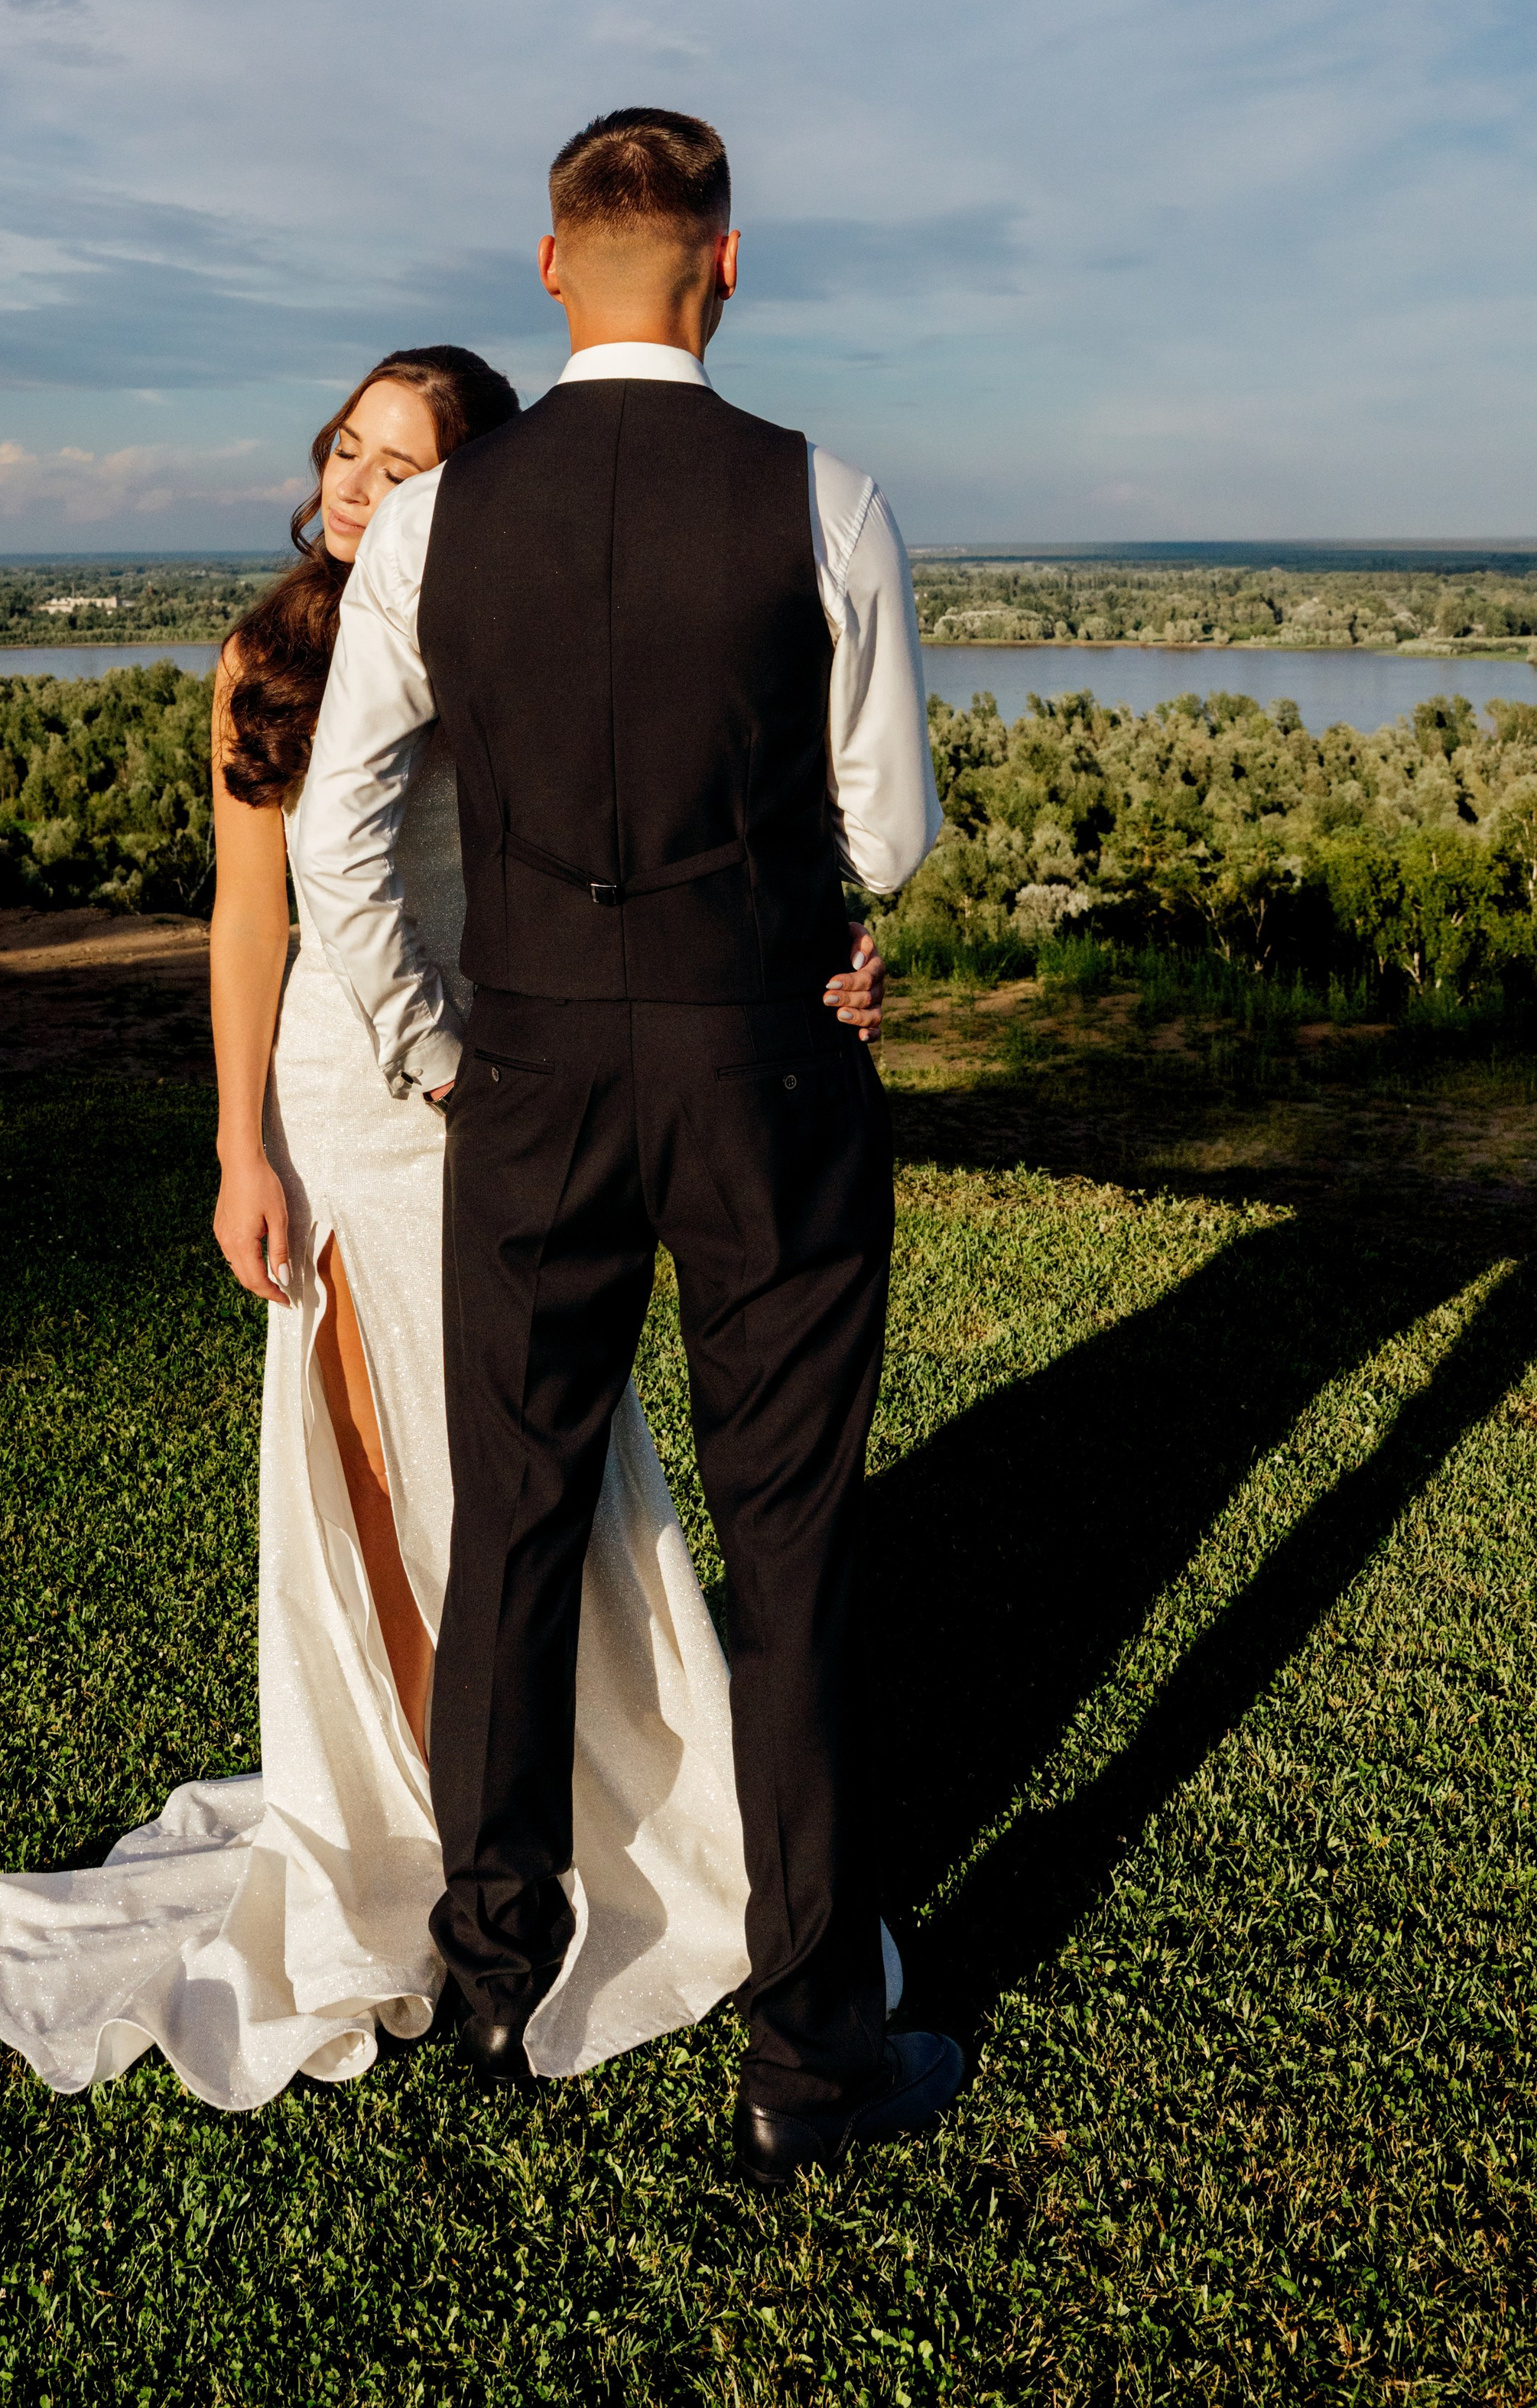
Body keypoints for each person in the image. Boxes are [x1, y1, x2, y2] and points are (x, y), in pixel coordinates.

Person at [0, 341, 892, 2110]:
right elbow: (252, 915)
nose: (355, 485)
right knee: (372, 1468)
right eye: (346, 449)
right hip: (340, 1093)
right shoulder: (269, 652)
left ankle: (566, 1834)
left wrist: (809, 950)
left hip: (508, 1089)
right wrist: (238, 1142)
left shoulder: (511, 623)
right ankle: (402, 1817)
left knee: (514, 1487)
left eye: (401, 465)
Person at [294, 114, 967, 2190]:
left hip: (527, 1078)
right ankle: (808, 2050)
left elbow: (336, 832)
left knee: (510, 1517)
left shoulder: (433, 526)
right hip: (764, 1063)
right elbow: (890, 830)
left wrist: (434, 1042)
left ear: (548, 264)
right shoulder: (820, 492)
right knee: (795, 1537)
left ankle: (498, 1970)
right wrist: (795, 915)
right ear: (725, 265)